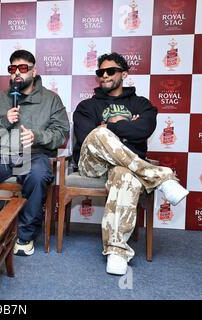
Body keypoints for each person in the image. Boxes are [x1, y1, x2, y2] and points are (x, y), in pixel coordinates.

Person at [73, 52, 189, 276]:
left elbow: (143, 130)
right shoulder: (86, 106)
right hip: (92, 164)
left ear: (124, 74)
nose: (104, 75)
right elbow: (87, 135)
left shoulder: (142, 105)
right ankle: (160, 177)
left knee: (125, 175)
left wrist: (110, 126)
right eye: (100, 72)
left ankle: (117, 251)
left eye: (111, 71)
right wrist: (122, 127)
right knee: (98, 134)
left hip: (126, 165)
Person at [0, 49, 70, 256]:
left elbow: (61, 133)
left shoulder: (51, 99)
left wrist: (37, 136)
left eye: (23, 68)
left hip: (34, 154)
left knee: (38, 175)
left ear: (34, 71)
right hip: (1, 154)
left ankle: (24, 235)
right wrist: (5, 121)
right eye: (13, 69)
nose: (17, 73)